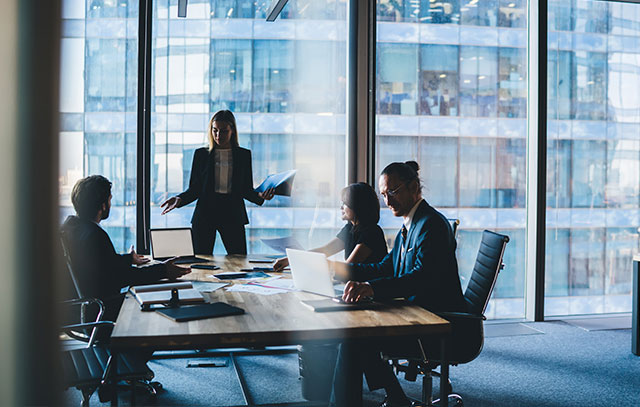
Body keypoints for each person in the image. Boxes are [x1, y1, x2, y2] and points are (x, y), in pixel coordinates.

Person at [330, 161, 466, 407]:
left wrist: (372, 288)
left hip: (436, 323)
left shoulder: (431, 225)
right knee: (355, 331)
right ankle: (395, 397)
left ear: (414, 187)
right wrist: (340, 270)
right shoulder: (410, 225)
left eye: (393, 192)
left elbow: (421, 278)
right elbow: (385, 267)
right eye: (383, 194)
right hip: (415, 313)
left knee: (354, 338)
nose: (388, 201)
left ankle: (389, 398)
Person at [61, 175, 190, 328]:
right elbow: (123, 277)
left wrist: (128, 259)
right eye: (109, 199)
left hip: (80, 308)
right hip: (100, 310)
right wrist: (163, 270)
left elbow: (101, 263)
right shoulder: (94, 235)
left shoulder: (71, 227)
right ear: (102, 206)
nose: (110, 203)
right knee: (168, 298)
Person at [160, 110, 275, 255]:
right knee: (200, 261)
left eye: (223, 131)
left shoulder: (243, 155)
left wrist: (261, 196)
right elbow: (195, 189)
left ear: (232, 130)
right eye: (215, 131)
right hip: (205, 214)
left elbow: (245, 189)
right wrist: (179, 199)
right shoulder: (201, 154)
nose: (218, 135)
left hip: (232, 214)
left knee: (239, 261)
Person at [273, 182, 387, 271]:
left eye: (345, 203)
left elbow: (349, 268)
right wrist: (290, 260)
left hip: (367, 293)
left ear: (357, 206)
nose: (341, 207)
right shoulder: (350, 228)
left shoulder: (372, 232)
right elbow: (325, 250)